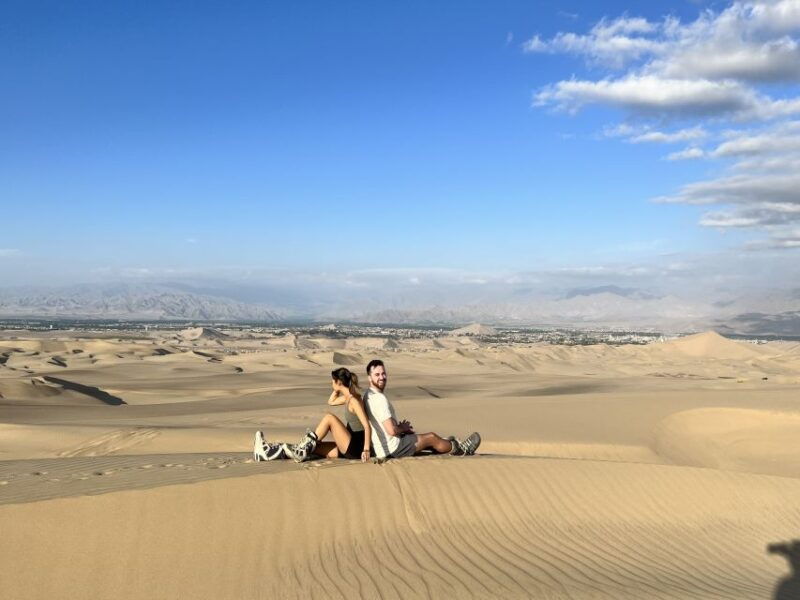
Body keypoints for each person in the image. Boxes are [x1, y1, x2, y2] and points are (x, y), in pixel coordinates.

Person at [364, 359, 480, 459]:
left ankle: (447, 444)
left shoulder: (368, 395)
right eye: (377, 375)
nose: (382, 377)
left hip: (382, 448)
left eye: (383, 374)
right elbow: (392, 431)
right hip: (393, 448)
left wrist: (402, 430)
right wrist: (402, 427)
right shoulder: (379, 399)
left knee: (422, 439)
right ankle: (461, 449)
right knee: (431, 437)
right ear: (369, 378)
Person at [253, 367, 371, 463]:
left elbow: (366, 426)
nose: (331, 383)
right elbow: (331, 402)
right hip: (347, 445)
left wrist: (366, 450)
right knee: (312, 449)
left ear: (339, 382)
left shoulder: (354, 400)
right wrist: (336, 389)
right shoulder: (348, 398)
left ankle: (302, 447)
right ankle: (267, 453)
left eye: (332, 381)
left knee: (329, 418)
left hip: (356, 448)